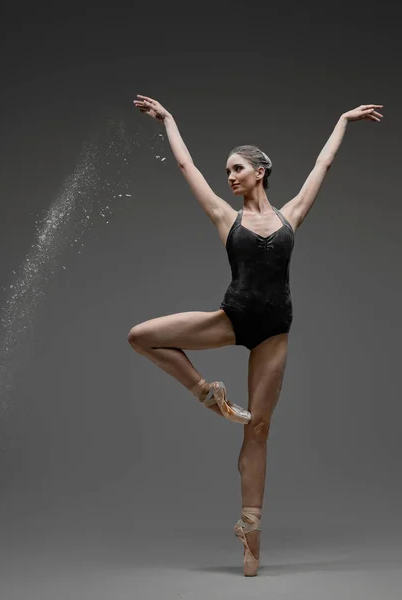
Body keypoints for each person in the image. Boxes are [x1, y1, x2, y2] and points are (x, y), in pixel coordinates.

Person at [128, 95, 383, 576]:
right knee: (142, 335)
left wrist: (343, 121)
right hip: (233, 316)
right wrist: (169, 120)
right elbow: (186, 167)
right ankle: (207, 393)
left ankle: (250, 537)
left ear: (260, 171)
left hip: (274, 330)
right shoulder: (228, 218)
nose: (229, 176)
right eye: (226, 171)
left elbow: (322, 165)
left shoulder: (292, 216)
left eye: (237, 168)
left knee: (259, 428)